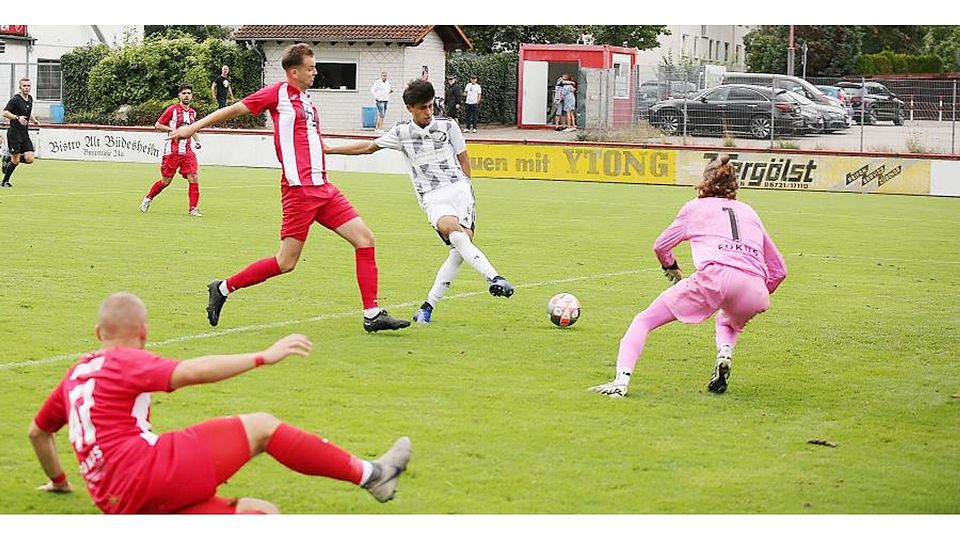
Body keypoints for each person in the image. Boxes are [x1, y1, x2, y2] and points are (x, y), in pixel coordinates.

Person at [28, 292, 412, 514]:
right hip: (148, 472)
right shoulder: (127, 360)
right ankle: (373, 475)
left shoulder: (75, 375)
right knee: (261, 427)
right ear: (144, 333)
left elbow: (38, 432)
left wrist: (61, 483)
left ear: (97, 333)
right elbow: (193, 370)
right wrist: (264, 356)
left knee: (261, 515)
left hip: (116, 503)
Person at [168, 43, 409, 333]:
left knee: (365, 239)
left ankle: (372, 313)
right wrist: (192, 128)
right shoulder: (277, 93)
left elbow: (314, 143)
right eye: (310, 68)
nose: (315, 72)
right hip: (300, 191)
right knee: (286, 262)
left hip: (325, 187)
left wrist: (339, 151)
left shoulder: (307, 101)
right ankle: (222, 288)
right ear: (293, 72)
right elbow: (233, 109)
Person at [589, 154, 787, 398]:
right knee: (727, 319)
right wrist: (755, 292)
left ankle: (620, 383)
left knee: (644, 320)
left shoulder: (695, 207)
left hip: (716, 276)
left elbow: (661, 246)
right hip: (755, 288)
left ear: (705, 181)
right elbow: (779, 270)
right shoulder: (749, 211)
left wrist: (670, 266)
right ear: (734, 185)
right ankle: (724, 352)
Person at [325, 79, 515, 324]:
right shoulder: (401, 132)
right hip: (432, 196)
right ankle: (494, 277)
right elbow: (369, 147)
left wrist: (466, 189)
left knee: (460, 250)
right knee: (453, 232)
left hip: (460, 190)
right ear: (409, 108)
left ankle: (427, 308)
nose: (428, 112)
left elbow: (464, 160)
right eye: (423, 108)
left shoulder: (448, 126)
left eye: (431, 106)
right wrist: (330, 150)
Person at [139, 84, 203, 216]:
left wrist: (197, 140)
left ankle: (193, 209)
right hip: (172, 151)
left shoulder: (192, 112)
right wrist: (172, 130)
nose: (186, 95)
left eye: (189, 93)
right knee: (166, 181)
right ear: (179, 95)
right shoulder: (172, 110)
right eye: (184, 93)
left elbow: (192, 128)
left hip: (187, 151)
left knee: (194, 177)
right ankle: (148, 198)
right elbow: (158, 125)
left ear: (192, 96)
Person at [2, 77, 41, 188]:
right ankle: (5, 181)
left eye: (28, 86)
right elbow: (5, 113)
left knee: (30, 159)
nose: (26, 88)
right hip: (14, 133)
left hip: (24, 134)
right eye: (24, 86)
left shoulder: (30, 99)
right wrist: (17, 117)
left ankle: (8, 158)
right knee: (16, 161)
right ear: (20, 87)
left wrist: (34, 120)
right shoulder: (15, 99)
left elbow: (29, 112)